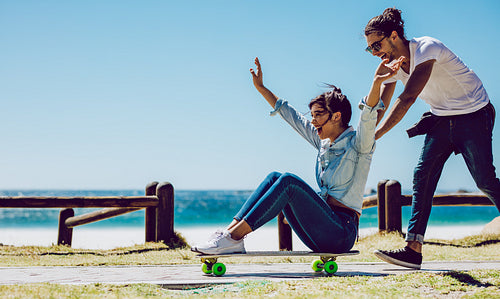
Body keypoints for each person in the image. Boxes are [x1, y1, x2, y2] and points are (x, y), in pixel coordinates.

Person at [191, 57, 401, 255]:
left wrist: (377, 82)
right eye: (313, 116)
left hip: (341, 232)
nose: (313, 121)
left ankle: (234, 237)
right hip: (320, 227)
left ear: (336, 116)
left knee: (289, 182)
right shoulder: (323, 143)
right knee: (275, 177)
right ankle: (229, 235)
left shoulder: (359, 145)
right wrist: (262, 88)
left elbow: (369, 114)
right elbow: (290, 115)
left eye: (318, 115)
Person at [364, 8, 500, 269]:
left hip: (474, 114)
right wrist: (367, 131)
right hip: (440, 118)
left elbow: (408, 98)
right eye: (369, 49)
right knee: (422, 176)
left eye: (377, 45)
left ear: (394, 36)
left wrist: (376, 136)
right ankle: (413, 250)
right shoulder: (391, 66)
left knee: (485, 180)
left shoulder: (427, 49)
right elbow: (382, 103)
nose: (375, 53)